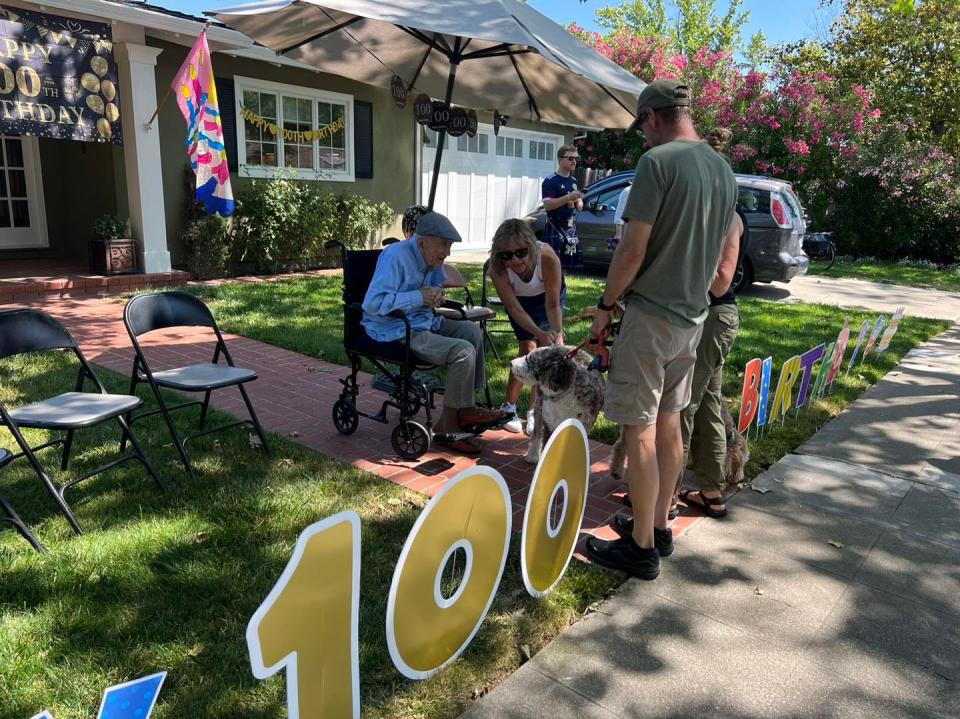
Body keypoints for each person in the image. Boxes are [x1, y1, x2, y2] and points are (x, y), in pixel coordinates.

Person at [584, 80, 739, 580]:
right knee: (670, 421)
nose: (642, 140)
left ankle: (641, 547)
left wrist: (607, 305)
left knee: (641, 430)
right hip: (693, 320)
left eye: (641, 129)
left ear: (652, 116)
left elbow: (632, 249)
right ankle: (661, 527)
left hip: (650, 317)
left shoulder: (657, 164)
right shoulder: (722, 168)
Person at [362, 211, 506, 455]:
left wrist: (436, 296)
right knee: (462, 351)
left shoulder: (432, 259)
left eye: (449, 246)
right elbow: (373, 303)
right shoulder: (394, 257)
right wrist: (418, 297)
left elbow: (435, 289)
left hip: (425, 321)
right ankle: (447, 428)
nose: (447, 252)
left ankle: (468, 408)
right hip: (396, 329)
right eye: (443, 245)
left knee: (472, 332)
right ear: (422, 242)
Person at [673, 127, 748, 519]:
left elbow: (721, 280)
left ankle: (663, 496)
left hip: (713, 317)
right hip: (707, 317)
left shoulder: (727, 219)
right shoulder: (705, 213)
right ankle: (711, 490)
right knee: (708, 407)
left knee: (685, 402)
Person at [487, 219, 566, 434]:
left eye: (520, 252)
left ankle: (533, 410)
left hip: (547, 298)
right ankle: (509, 407)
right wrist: (539, 332)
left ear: (531, 247)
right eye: (506, 255)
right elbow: (514, 309)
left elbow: (552, 303)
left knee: (545, 351)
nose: (514, 259)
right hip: (520, 304)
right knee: (528, 349)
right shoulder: (497, 269)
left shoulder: (547, 256)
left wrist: (556, 333)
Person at [541, 144, 584, 271]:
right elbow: (547, 205)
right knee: (552, 265)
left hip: (570, 228)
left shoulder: (574, 181)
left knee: (564, 267)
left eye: (576, 158)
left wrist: (578, 200)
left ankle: (561, 289)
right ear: (560, 160)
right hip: (555, 226)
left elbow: (579, 207)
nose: (574, 161)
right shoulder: (550, 181)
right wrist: (568, 198)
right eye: (570, 158)